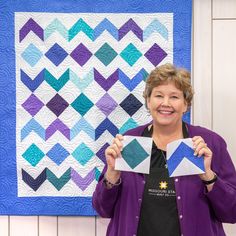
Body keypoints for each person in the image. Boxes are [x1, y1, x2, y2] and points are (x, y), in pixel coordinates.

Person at [92, 63, 236, 236]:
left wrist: (208, 175)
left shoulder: (209, 143)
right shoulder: (130, 142)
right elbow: (102, 209)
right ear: (148, 101)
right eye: (158, 95)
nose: (165, 103)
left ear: (186, 104)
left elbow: (232, 212)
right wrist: (112, 175)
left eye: (174, 97)